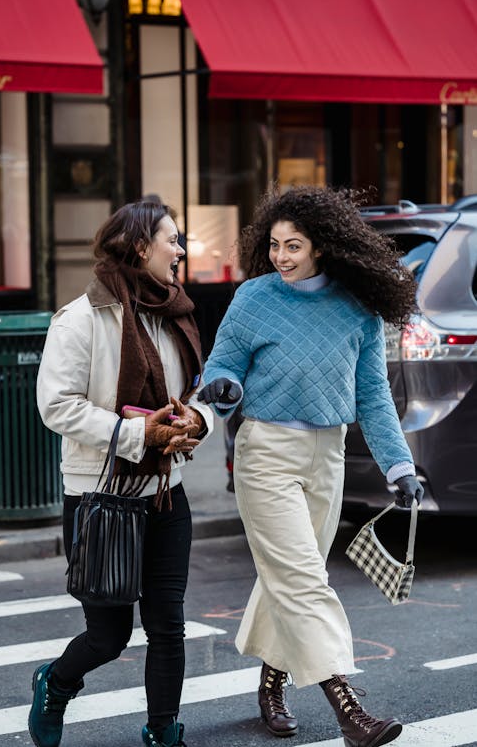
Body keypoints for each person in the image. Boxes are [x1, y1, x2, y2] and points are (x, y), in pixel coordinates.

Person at [198, 186, 424, 747]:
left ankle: (271, 684)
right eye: (274, 245)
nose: (280, 257)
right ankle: (349, 711)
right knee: (304, 580)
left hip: (327, 458)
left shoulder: (357, 310)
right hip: (265, 454)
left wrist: (399, 467)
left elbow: (373, 397)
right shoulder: (253, 298)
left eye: (293, 246)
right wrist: (221, 389)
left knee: (289, 579)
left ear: (321, 247)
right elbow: (223, 364)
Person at [29, 199, 213, 747]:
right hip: (100, 497)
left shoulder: (175, 313)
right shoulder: (81, 317)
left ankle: (163, 732)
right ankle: (55, 683)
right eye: (171, 240)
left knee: (167, 626)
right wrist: (140, 435)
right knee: (108, 635)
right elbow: (56, 405)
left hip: (164, 493)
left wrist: (192, 421)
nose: (180, 250)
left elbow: (195, 390)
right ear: (140, 246)